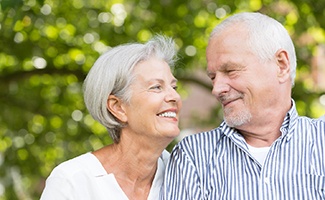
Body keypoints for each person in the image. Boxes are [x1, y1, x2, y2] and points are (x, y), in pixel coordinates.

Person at [162, 12, 325, 199]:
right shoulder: (193, 156)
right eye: (213, 77)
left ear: (281, 65)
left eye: (230, 71)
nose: (217, 89)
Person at [40, 35, 182, 200]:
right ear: (118, 107)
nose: (175, 96)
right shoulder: (72, 182)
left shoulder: (186, 174)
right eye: (156, 87)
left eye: (174, 87)